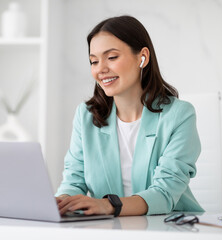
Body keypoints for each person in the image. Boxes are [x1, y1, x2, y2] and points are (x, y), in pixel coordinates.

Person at [55, 15, 204, 216]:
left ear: (142, 57)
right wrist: (62, 202)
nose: (101, 69)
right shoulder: (86, 116)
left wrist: (108, 205)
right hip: (109, 229)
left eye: (112, 57)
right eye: (94, 61)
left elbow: (164, 193)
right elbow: (74, 181)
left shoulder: (179, 115)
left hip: (170, 227)